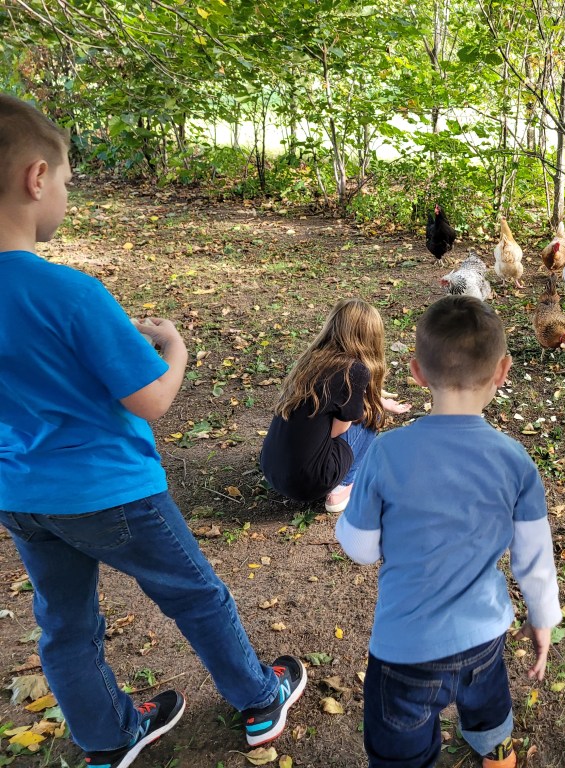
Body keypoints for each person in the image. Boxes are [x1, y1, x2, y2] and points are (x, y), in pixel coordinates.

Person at [0, 95, 306, 768]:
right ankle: (260, 699)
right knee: (197, 595)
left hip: (20, 497)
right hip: (112, 492)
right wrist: (176, 350)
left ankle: (107, 738)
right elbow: (152, 400)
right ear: (36, 178)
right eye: (67, 181)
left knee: (65, 626)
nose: (66, 194)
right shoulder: (72, 293)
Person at [336, 295, 561, 768]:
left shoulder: (386, 452)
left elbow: (360, 548)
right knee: (488, 705)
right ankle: (498, 754)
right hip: (485, 638)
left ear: (417, 372)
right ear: (503, 371)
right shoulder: (515, 460)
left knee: (400, 749)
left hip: (405, 651)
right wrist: (542, 617)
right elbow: (535, 555)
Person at [259, 297, 410, 513]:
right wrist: (375, 403)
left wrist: (376, 398)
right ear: (371, 336)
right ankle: (342, 488)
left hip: (273, 471)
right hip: (308, 483)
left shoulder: (312, 360)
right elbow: (337, 431)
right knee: (373, 414)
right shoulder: (354, 371)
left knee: (367, 408)